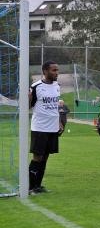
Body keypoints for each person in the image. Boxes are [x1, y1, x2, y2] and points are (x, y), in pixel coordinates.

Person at [28, 61, 62, 194]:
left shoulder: (57, 86)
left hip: (52, 128)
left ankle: (38, 186)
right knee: (37, 157)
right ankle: (30, 187)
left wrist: (59, 122)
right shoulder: (36, 87)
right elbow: (27, 107)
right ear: (45, 71)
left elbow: (55, 107)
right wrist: (29, 99)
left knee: (46, 157)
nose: (56, 73)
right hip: (39, 128)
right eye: (53, 70)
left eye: (57, 70)